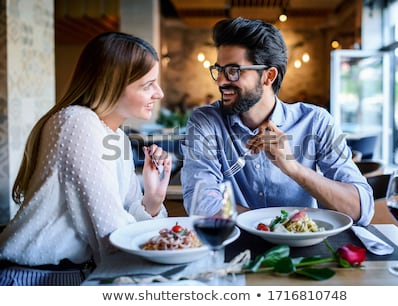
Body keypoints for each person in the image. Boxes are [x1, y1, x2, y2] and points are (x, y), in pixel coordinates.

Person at [0, 32, 172, 285]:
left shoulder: (117, 138)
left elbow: (124, 216)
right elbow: (111, 232)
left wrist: (152, 201)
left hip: (77, 275)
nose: (159, 94)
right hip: (35, 279)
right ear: (112, 85)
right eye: (147, 85)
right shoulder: (77, 122)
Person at [181, 17, 374, 226]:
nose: (220, 80)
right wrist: (274, 226)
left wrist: (293, 168)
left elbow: (361, 210)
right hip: (233, 248)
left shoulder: (316, 122)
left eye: (233, 71)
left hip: (303, 253)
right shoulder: (206, 122)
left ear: (268, 76)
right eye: (219, 70)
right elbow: (200, 204)